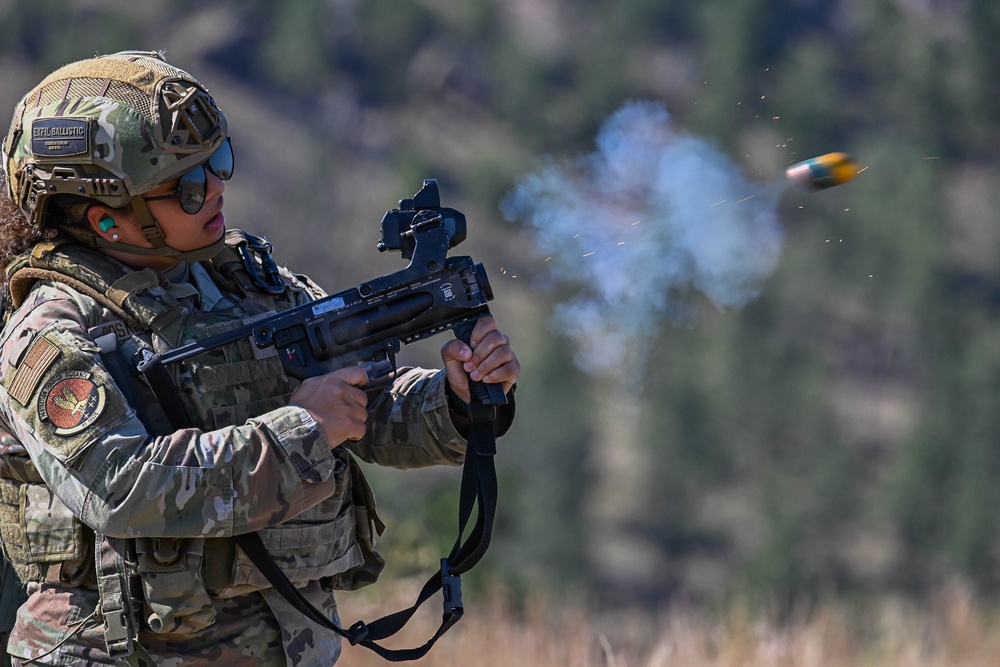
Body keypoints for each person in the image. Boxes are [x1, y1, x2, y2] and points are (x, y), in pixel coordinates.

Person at [0, 50, 519, 666]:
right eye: (189, 186)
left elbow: (362, 403)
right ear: (108, 220)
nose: (218, 187)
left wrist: (455, 399)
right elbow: (123, 487)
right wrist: (304, 430)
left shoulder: (245, 281)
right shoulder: (52, 331)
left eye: (218, 161)